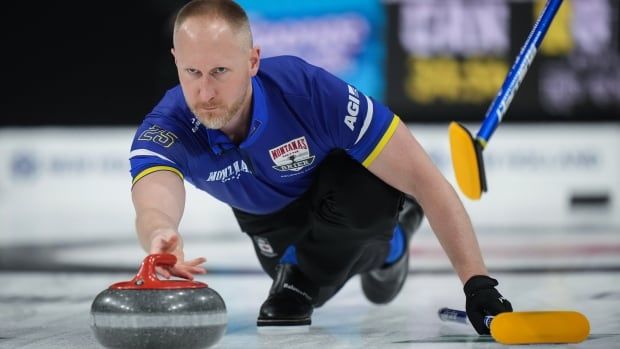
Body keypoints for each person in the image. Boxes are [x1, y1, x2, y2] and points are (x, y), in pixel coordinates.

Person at [129, 0, 512, 334]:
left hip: (337, 188)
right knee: (309, 268)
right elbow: (154, 199)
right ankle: (394, 244)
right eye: (192, 72)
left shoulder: (308, 91)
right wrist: (162, 232)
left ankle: (361, 247)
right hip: (269, 223)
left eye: (220, 72)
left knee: (372, 193)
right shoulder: (168, 124)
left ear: (252, 61)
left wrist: (478, 285)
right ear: (176, 62)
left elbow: (425, 180)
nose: (206, 93)